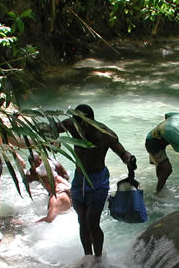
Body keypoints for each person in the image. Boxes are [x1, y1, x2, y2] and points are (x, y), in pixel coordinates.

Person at [57, 104, 137, 257]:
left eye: (81, 124)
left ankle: (98, 259)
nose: (77, 127)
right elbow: (53, 128)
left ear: (89, 121)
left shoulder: (106, 134)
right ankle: (88, 257)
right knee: (82, 221)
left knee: (92, 222)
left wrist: (129, 159)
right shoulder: (72, 125)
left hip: (98, 181)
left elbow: (122, 153)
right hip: (79, 179)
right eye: (75, 123)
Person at [24, 153, 72, 223]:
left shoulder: (54, 165)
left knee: (57, 203)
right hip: (54, 188)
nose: (36, 166)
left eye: (37, 163)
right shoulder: (32, 173)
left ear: (41, 160)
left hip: (58, 189)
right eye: (33, 165)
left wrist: (66, 188)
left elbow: (63, 178)